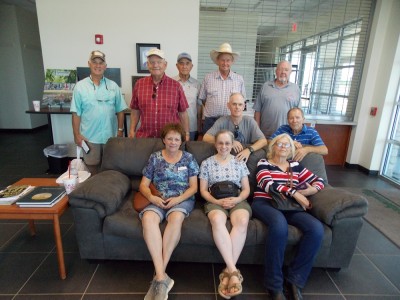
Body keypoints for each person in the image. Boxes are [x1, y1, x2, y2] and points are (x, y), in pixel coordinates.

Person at [252, 133, 325, 300]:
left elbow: (319, 181)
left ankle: (295, 280)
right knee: (279, 226)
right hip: (265, 203)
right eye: (279, 144)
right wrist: (295, 194)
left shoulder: (296, 165)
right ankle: (274, 285)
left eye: (287, 145)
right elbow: (268, 184)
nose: (283, 147)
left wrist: (309, 191)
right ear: (273, 147)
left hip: (290, 206)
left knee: (316, 229)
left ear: (291, 149)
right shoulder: (264, 163)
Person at [139, 123, 199, 300]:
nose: (173, 142)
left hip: (181, 199)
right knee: (148, 219)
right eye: (170, 138)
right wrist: (152, 198)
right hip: (157, 198)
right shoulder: (155, 158)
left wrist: (178, 199)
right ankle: (161, 277)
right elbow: (143, 185)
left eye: (177, 139)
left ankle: (159, 277)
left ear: (182, 141)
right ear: (164, 139)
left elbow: (194, 187)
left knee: (176, 218)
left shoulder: (188, 158)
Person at [199, 130, 251, 299]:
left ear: (232, 144)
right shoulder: (206, 163)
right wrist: (218, 202)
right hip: (215, 199)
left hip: (237, 198)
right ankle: (234, 273)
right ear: (215, 144)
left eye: (227, 143)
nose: (224, 146)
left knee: (242, 220)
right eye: (220, 143)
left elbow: (246, 189)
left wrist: (237, 200)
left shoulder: (239, 162)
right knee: (216, 219)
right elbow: (203, 191)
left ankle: (228, 273)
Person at [71, 50, 127, 175]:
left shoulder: (113, 86)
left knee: (111, 166)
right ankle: (93, 191)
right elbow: (76, 113)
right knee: (92, 167)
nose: (98, 65)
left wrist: (119, 130)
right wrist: (76, 135)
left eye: (101, 63)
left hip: (110, 137)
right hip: (90, 137)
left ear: (105, 66)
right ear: (89, 64)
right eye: (94, 62)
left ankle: (107, 192)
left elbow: (120, 110)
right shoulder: (80, 87)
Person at [129, 48, 190, 141]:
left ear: (165, 65)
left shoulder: (176, 86)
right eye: (152, 62)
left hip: (170, 141)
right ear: (148, 65)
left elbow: (183, 112)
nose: (155, 65)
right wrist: (132, 130)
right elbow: (135, 110)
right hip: (145, 138)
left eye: (159, 62)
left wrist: (186, 133)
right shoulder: (139, 84)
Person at [203, 92, 268, 162]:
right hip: (225, 158)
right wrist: (230, 142)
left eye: (240, 104)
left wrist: (249, 150)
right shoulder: (221, 121)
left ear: (244, 107)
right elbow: (206, 137)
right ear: (228, 105)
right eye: (234, 104)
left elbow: (263, 141)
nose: (237, 107)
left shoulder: (250, 121)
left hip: (244, 160)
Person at [198, 43, 246, 134]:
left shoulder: (239, 79)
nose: (225, 63)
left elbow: (242, 101)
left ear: (232, 61)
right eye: (222, 60)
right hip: (210, 121)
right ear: (217, 61)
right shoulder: (208, 78)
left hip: (230, 121)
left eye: (228, 60)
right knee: (208, 146)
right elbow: (203, 99)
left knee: (229, 146)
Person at [253, 60, 301, 139]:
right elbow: (257, 111)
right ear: (276, 71)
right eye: (280, 69)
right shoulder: (265, 86)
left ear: (290, 72)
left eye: (286, 70)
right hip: (265, 135)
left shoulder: (295, 89)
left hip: (287, 136)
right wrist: (257, 132)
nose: (283, 72)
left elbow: (298, 114)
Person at [173, 52, 201, 141]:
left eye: (187, 63)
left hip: (192, 127)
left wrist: (199, 125)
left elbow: (199, 106)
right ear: (177, 66)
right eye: (181, 63)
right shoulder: (170, 83)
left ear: (191, 66)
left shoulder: (197, 84)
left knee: (189, 151)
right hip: (174, 126)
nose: (184, 66)